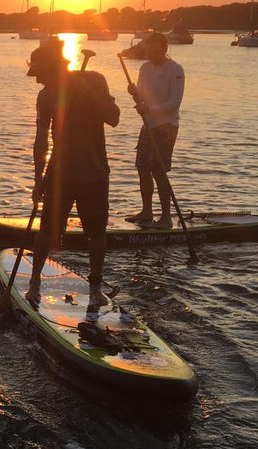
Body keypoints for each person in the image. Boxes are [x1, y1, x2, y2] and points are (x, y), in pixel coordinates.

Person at [25, 38, 120, 316]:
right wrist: (38, 178)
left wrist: (86, 93)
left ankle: (94, 288)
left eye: (40, 73)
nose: (37, 80)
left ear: (54, 69)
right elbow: (41, 139)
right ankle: (34, 282)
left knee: (96, 233)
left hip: (94, 172)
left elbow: (113, 117)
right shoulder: (46, 96)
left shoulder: (94, 80)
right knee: (47, 230)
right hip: (60, 173)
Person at [124, 32, 185, 229]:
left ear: (164, 49)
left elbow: (174, 103)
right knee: (142, 167)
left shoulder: (175, 70)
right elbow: (142, 97)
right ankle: (147, 211)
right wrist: (135, 94)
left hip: (167, 126)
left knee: (159, 170)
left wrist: (149, 109)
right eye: (148, 49)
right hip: (148, 124)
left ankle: (166, 218)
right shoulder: (144, 68)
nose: (150, 53)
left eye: (154, 50)